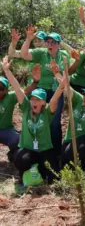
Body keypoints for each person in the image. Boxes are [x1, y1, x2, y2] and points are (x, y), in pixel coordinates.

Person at [2, 56, 64, 184]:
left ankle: (39, 170)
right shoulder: (25, 107)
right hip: (28, 149)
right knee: (20, 161)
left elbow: (54, 100)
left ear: (43, 103)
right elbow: (18, 89)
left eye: (38, 99)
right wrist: (7, 71)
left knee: (53, 178)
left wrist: (61, 86)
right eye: (32, 99)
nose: (34, 101)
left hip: (44, 150)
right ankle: (28, 171)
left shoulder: (47, 113)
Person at [20, 26, 70, 156]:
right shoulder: (41, 53)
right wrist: (28, 39)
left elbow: (65, 78)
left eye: (53, 42)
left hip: (56, 91)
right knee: (36, 117)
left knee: (54, 121)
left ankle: (56, 152)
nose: (50, 44)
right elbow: (24, 54)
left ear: (59, 44)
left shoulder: (63, 56)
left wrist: (57, 73)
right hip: (41, 90)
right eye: (48, 41)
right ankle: (34, 147)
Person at [0, 64, 41, 163]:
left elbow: (25, 91)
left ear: (6, 91)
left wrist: (35, 81)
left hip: (5, 131)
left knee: (17, 139)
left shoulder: (10, 97)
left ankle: (14, 154)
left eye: (0, 88)